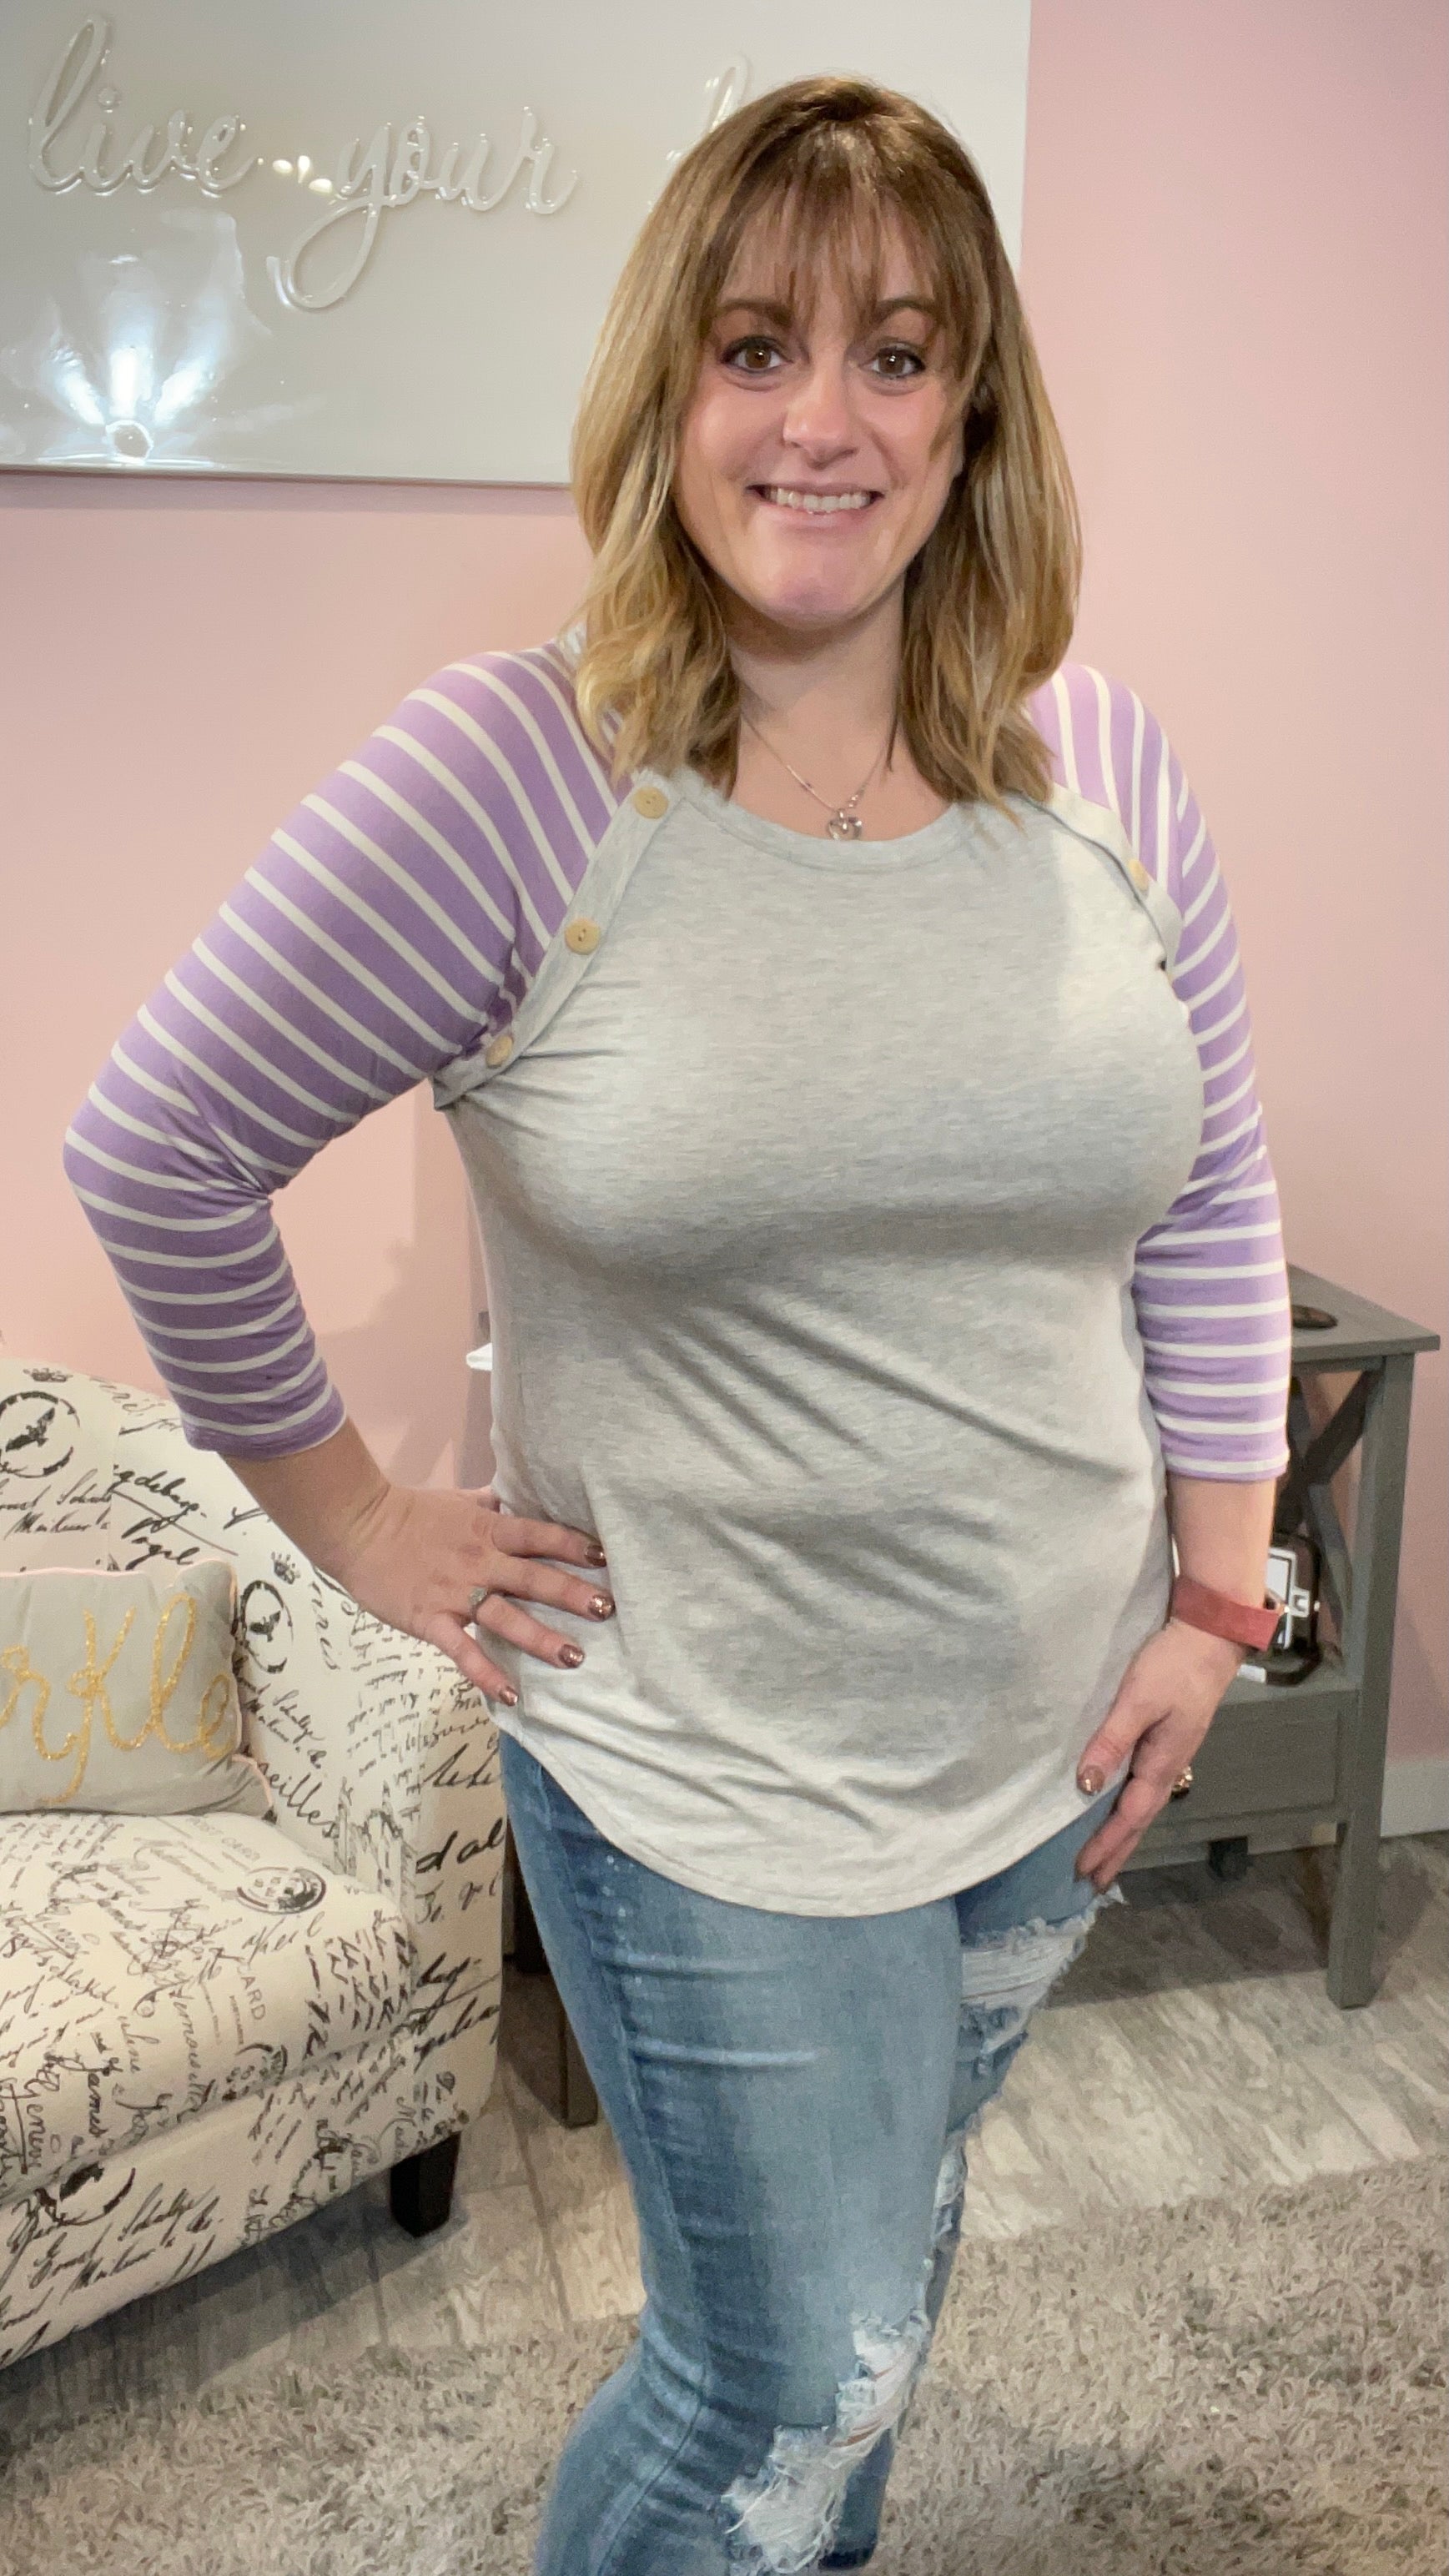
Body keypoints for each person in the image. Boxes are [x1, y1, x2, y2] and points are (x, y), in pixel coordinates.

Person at [67, 75, 1291, 2576]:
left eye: (896, 353)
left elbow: (1210, 1192)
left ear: (973, 411)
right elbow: (155, 1150)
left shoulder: (1105, 769)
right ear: (667, 389)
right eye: (757, 347)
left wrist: (1213, 1590)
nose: (825, 420)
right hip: (714, 1778)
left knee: (872, 2325)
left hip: (1051, 1742)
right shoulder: (520, 775)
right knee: (781, 2375)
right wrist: (359, 1526)